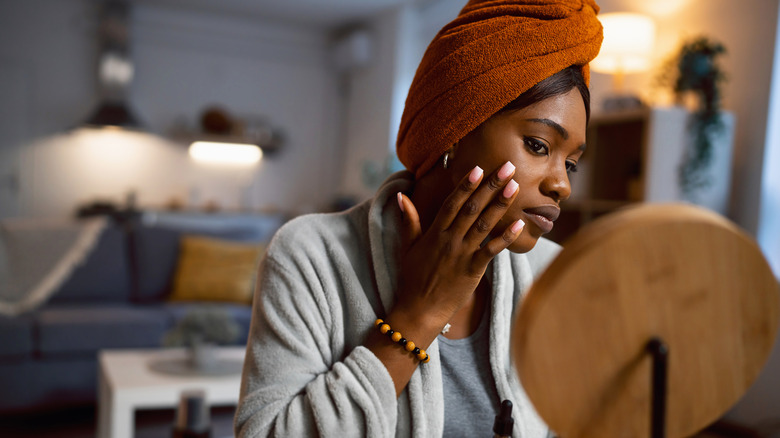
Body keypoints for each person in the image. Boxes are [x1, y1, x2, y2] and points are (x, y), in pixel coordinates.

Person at [234, 0, 603, 436]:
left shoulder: (555, 275)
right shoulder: (311, 257)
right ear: (453, 131)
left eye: (571, 163)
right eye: (539, 146)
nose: (562, 185)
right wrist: (420, 313)